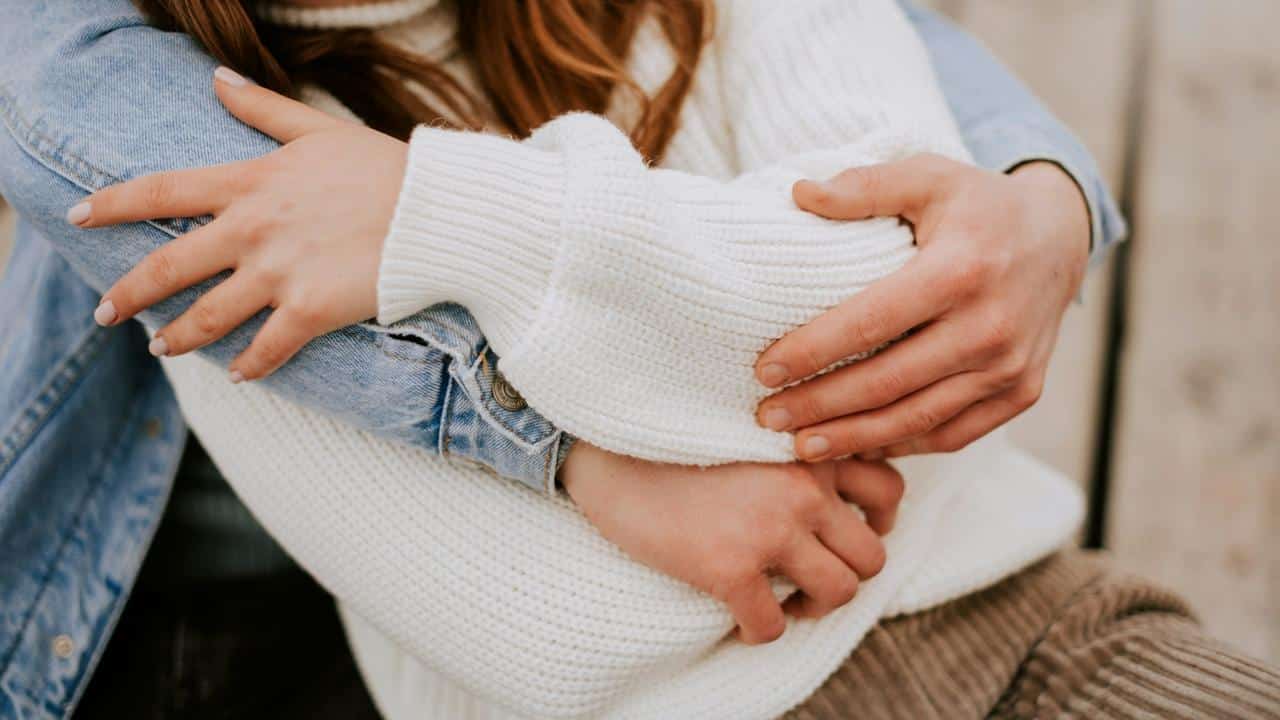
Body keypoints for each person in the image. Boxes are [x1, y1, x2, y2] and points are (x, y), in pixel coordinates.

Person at [0, 3, 1274, 720]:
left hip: (1028, 631)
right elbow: (551, 637)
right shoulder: (241, 191)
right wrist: (637, 437)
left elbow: (892, 277)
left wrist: (441, 214)